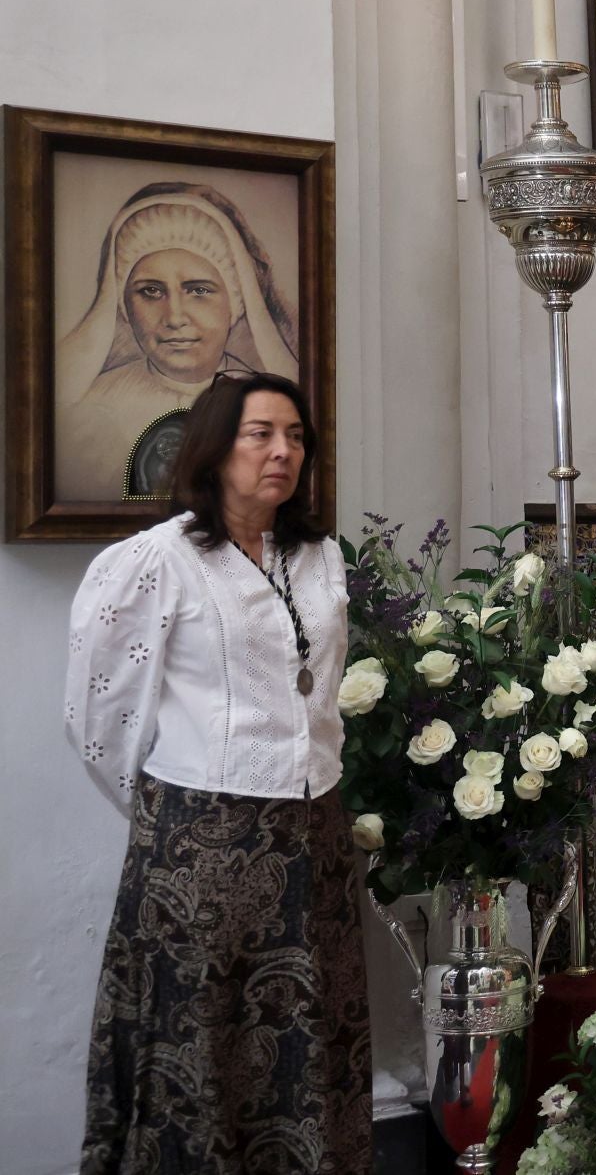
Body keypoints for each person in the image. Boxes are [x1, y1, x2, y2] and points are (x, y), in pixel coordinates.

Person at [67, 372, 369, 1174]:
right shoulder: (156, 561)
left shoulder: (320, 556)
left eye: (295, 437)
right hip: (200, 853)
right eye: (260, 434)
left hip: (315, 839)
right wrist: (182, 816)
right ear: (214, 448)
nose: (282, 452)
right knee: (201, 1049)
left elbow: (325, 697)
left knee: (312, 1040)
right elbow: (99, 723)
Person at [56, 182, 299, 502]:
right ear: (124, 306)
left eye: (198, 290)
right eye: (151, 291)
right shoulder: (93, 408)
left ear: (235, 303)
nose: (174, 317)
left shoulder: (270, 404)